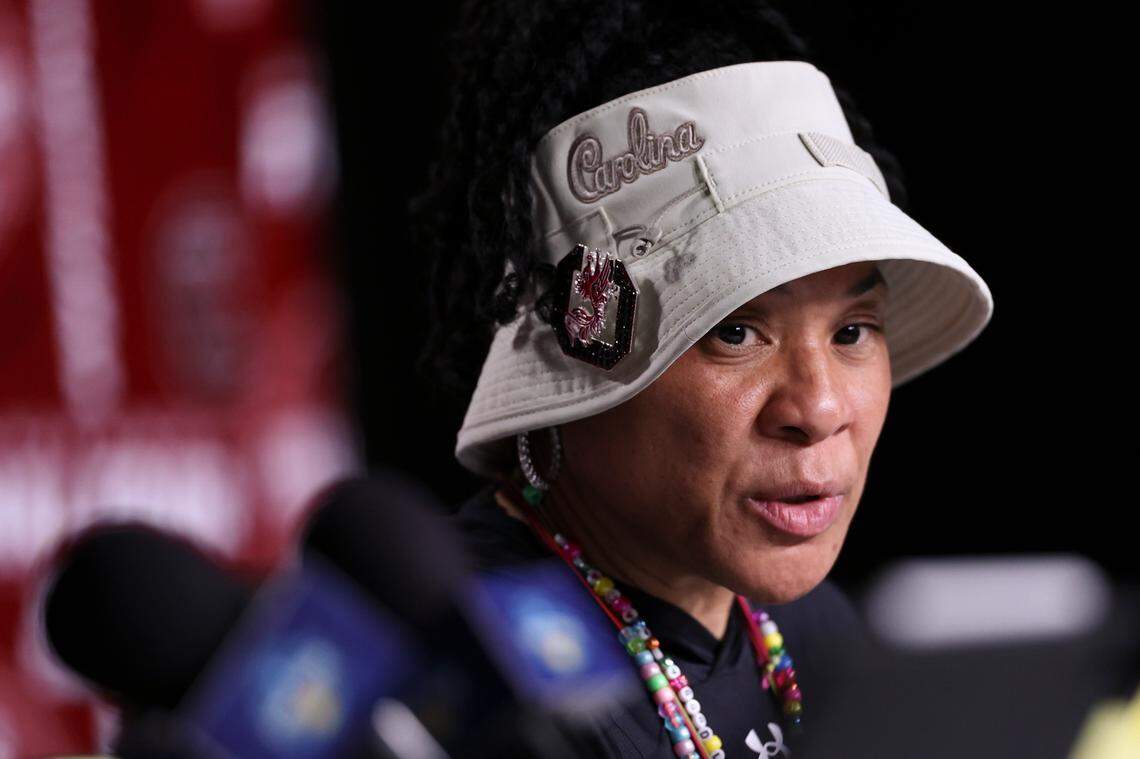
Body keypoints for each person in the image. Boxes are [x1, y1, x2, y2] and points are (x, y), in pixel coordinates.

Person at [409, 2, 994, 757]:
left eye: (851, 331)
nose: (818, 407)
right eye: (735, 331)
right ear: (580, 352)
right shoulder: (470, 681)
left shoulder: (818, 634)